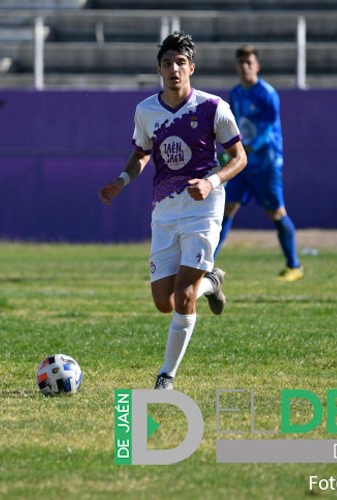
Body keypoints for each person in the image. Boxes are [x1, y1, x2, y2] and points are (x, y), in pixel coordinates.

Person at [99, 32, 247, 390]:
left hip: (203, 206)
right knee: (164, 302)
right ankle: (212, 282)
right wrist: (122, 180)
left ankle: (166, 375)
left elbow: (239, 157)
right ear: (159, 69)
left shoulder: (213, 107)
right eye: (168, 63)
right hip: (164, 209)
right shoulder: (146, 111)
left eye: (181, 62)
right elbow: (141, 153)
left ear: (191, 68)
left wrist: (212, 182)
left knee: (183, 296)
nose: (174, 69)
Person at [214, 45, 303, 282]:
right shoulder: (235, 93)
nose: (245, 67)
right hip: (242, 166)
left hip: (265, 165)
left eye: (249, 63)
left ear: (257, 66)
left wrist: (242, 151)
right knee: (226, 211)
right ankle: (205, 264)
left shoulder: (267, 94)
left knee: (276, 212)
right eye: (241, 62)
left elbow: (265, 133)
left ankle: (294, 266)